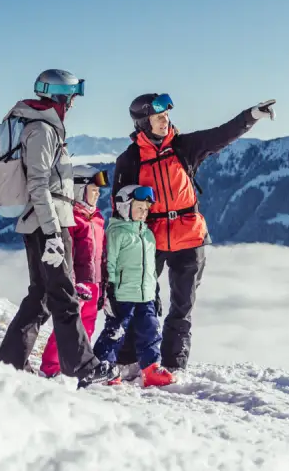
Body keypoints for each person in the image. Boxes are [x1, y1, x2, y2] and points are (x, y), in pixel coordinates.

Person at [112, 93, 276, 370]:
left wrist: (252, 115)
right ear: (142, 123)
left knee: (182, 306)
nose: (165, 121)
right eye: (158, 117)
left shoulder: (183, 147)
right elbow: (119, 207)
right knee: (140, 300)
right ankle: (129, 361)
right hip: (150, 239)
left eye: (166, 116)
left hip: (189, 236)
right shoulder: (129, 160)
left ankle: (173, 366)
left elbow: (222, 135)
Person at [0, 69, 117, 387]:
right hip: (48, 223)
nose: (73, 104)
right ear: (61, 97)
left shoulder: (42, 126)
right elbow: (38, 184)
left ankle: (10, 362)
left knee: (41, 297)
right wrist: (52, 233)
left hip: (42, 222)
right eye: (72, 97)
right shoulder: (42, 130)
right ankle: (82, 365)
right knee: (64, 294)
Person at [90, 184, 175, 389]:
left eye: (146, 209)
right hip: (122, 294)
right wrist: (108, 291)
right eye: (139, 208)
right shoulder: (116, 233)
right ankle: (104, 367)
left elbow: (151, 269)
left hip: (145, 295)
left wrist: (155, 292)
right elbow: (108, 264)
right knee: (116, 331)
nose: (144, 212)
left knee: (150, 330)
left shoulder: (148, 235)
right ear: (124, 206)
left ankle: (151, 369)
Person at [39, 168, 107, 378]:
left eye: (98, 190)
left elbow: (103, 255)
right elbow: (68, 255)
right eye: (93, 189)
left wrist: (103, 286)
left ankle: (78, 366)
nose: (98, 194)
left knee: (88, 326)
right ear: (79, 190)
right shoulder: (72, 219)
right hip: (78, 283)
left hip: (95, 283)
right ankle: (51, 367)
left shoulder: (97, 218)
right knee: (69, 327)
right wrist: (73, 283)